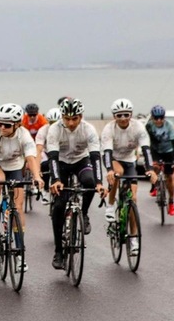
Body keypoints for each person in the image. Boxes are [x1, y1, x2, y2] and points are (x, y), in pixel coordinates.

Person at [0, 103, 44, 272]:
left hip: (15, 166)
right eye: (0, 123)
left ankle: (20, 254)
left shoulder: (24, 135)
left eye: (7, 125)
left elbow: (31, 158)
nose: (2, 127)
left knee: (18, 207)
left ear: (17, 124)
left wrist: (37, 177)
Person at [47, 98, 104, 269]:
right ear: (62, 117)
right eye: (67, 119)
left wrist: (99, 182)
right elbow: (53, 158)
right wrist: (56, 180)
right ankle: (58, 251)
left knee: (90, 182)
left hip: (81, 161)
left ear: (81, 116)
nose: (71, 123)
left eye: (75, 119)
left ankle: (84, 213)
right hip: (61, 163)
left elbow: (95, 157)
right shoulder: (54, 129)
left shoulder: (88, 129)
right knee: (58, 206)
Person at [100, 99, 157, 254]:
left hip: (130, 160)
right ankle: (110, 205)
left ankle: (133, 238)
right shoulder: (109, 129)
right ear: (114, 116)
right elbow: (107, 152)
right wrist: (109, 170)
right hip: (113, 158)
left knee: (133, 199)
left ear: (131, 114)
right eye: (119, 115)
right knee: (117, 173)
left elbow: (146, 150)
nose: (123, 118)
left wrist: (150, 169)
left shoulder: (138, 127)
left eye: (126, 114)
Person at [146, 105, 174, 216]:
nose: (159, 120)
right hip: (155, 150)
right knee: (154, 167)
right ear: (152, 118)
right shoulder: (149, 126)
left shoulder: (169, 125)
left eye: (161, 118)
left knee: (169, 177)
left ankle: (171, 201)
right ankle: (154, 185)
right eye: (156, 118)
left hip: (168, 151)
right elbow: (145, 140)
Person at [35, 107, 61, 205]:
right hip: (47, 152)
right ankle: (45, 190)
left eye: (56, 123)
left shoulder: (64, 130)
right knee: (45, 165)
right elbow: (38, 150)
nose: (54, 125)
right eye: (51, 122)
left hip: (61, 153)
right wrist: (37, 170)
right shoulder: (43, 130)